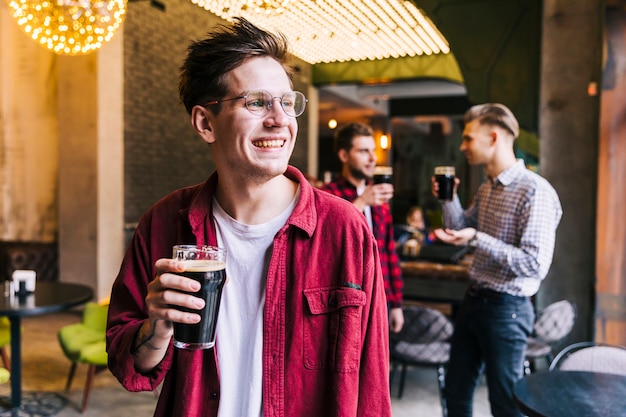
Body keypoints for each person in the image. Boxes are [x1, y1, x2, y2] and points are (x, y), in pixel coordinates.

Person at [106, 18, 392, 417]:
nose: (280, 120)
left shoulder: (344, 229)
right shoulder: (164, 221)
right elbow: (129, 367)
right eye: (257, 102)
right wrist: (156, 328)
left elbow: (372, 384)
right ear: (206, 123)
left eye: (287, 102)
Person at [431, 103, 563, 417]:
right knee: (455, 393)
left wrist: (478, 239)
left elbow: (534, 264)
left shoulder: (535, 191)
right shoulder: (488, 187)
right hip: (474, 300)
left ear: (492, 138)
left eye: (467, 139)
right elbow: (460, 228)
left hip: (508, 310)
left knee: (505, 404)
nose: (461, 147)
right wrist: (448, 200)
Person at [321, 122, 404, 333]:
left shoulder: (379, 199)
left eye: (373, 151)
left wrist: (396, 304)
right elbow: (326, 241)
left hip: (381, 296)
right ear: (344, 155)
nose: (373, 158)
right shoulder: (327, 195)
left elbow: (388, 251)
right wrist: (361, 202)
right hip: (345, 298)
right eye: (363, 151)